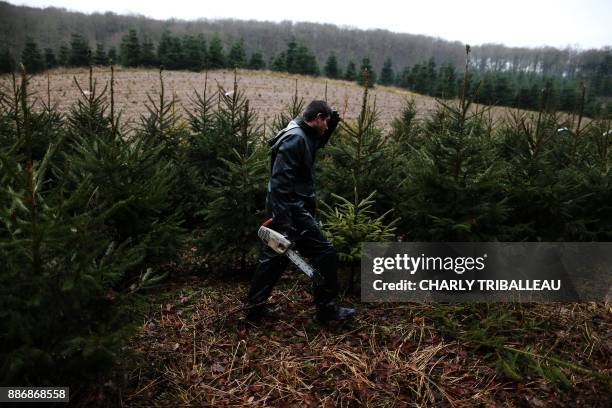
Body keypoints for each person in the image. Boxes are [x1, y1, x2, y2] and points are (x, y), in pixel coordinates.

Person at [245, 100, 356, 322]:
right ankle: (327, 311)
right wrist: (283, 223)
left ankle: (254, 309)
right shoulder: (295, 139)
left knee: (275, 257)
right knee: (324, 252)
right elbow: (279, 184)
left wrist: (332, 124)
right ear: (318, 118)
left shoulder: (302, 131)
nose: (326, 128)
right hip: (291, 208)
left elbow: (317, 141)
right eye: (326, 123)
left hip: (290, 206)